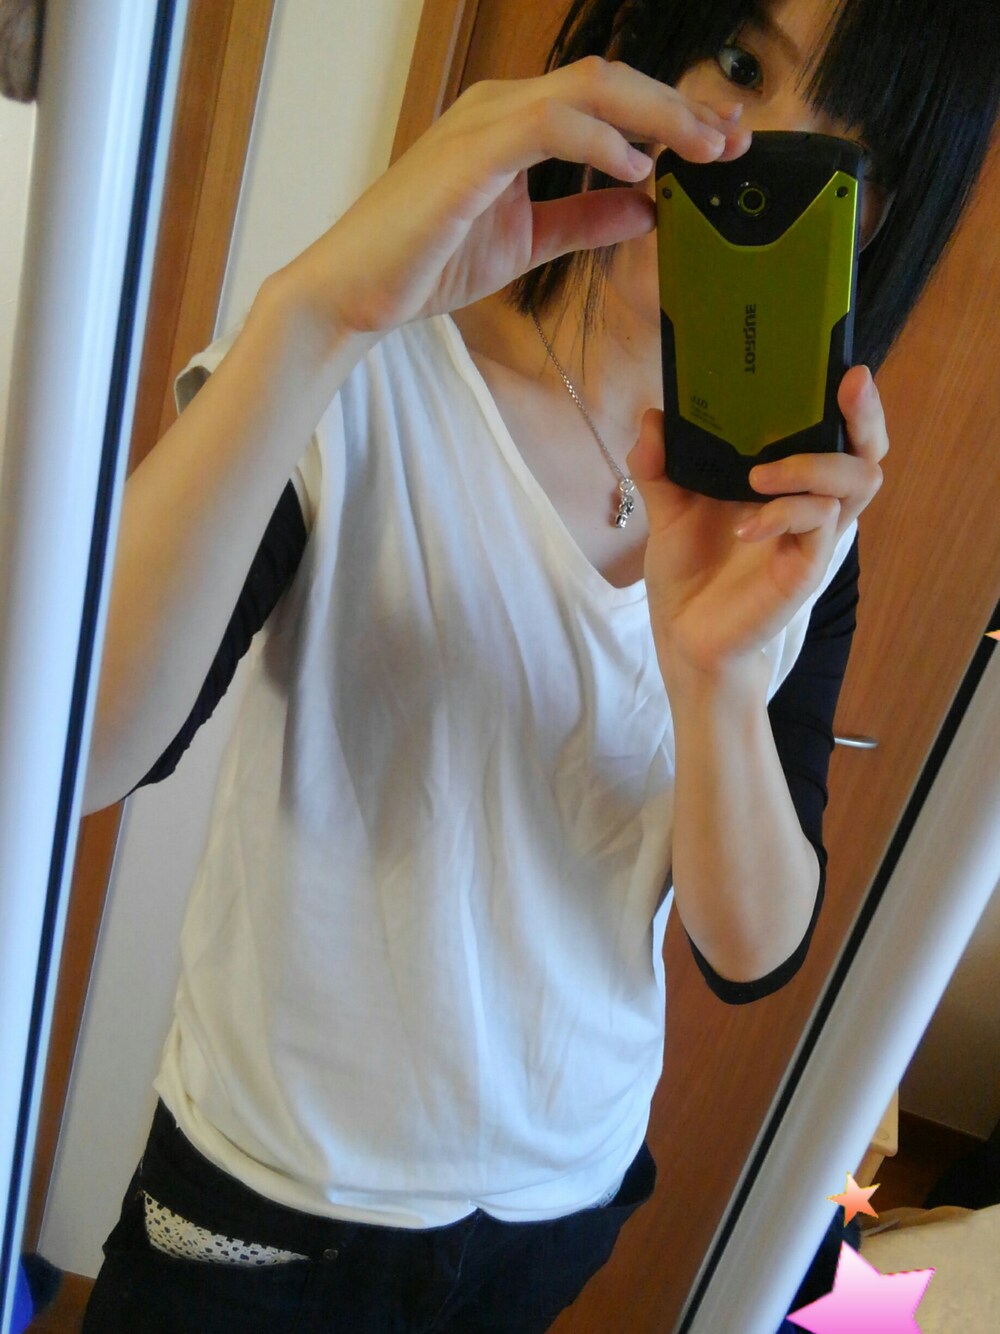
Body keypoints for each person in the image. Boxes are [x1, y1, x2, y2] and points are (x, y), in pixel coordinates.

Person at [80, 1, 999, 1330]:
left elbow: (748, 947)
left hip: (558, 1199)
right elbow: (73, 757)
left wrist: (715, 679)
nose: (749, 156)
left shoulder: (796, 532)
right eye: (740, 65)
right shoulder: (360, 374)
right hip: (272, 1211)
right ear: (644, 36)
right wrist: (313, 316)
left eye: (841, 155)